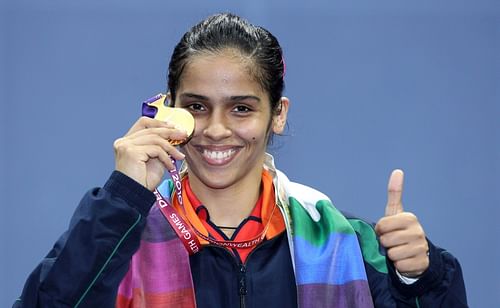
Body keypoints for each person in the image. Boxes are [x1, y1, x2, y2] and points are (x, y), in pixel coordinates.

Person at [15, 13, 468, 308]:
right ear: (166, 107)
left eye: (241, 108)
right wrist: (124, 197)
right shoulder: (118, 236)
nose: (215, 129)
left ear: (278, 115)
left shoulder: (346, 244)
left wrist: (420, 279)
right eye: (196, 106)